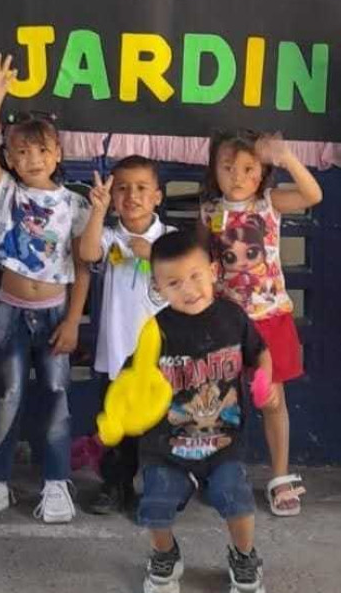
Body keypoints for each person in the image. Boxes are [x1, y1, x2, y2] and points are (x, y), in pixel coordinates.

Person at [0, 53, 90, 525]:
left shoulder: (75, 204)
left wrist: (75, 320)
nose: (32, 159)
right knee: (6, 395)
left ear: (57, 155)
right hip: (9, 311)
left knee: (56, 395)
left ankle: (57, 483)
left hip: (56, 312)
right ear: (10, 159)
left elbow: (84, 265)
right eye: (21, 152)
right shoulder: (8, 194)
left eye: (42, 151)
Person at [137, 230, 276, 593]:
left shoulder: (232, 316)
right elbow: (133, 380)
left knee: (237, 500)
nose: (188, 288)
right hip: (166, 445)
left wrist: (266, 381)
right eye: (174, 282)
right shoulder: (155, 331)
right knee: (155, 504)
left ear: (213, 271)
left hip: (224, 442)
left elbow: (260, 351)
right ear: (158, 289)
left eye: (196, 276)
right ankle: (165, 556)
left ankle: (244, 557)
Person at [199, 129, 322, 516]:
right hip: (224, 323)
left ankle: (280, 477)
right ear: (214, 171)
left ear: (262, 172)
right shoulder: (209, 212)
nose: (237, 175)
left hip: (270, 320)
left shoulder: (270, 203)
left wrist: (286, 158)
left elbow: (313, 195)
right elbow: (200, 262)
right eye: (228, 167)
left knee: (273, 401)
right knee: (221, 403)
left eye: (248, 168)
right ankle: (220, 473)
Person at [78, 155, 175, 514]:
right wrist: (98, 212)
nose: (131, 196)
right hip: (118, 353)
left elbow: (188, 283)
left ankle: (154, 490)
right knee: (115, 424)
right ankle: (114, 485)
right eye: (121, 189)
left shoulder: (169, 239)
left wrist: (156, 255)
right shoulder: (109, 236)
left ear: (157, 197)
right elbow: (87, 253)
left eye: (141, 188)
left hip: (161, 359)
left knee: (157, 430)